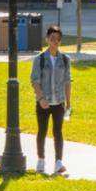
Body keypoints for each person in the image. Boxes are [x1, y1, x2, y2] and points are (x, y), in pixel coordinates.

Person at [30, 25, 73, 175]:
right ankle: (41, 160)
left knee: (58, 132)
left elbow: (68, 82)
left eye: (58, 39)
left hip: (59, 101)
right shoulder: (40, 59)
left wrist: (69, 103)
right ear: (47, 39)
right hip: (44, 101)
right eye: (52, 39)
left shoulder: (65, 60)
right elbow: (34, 80)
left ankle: (58, 162)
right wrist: (41, 97)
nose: (55, 42)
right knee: (42, 131)